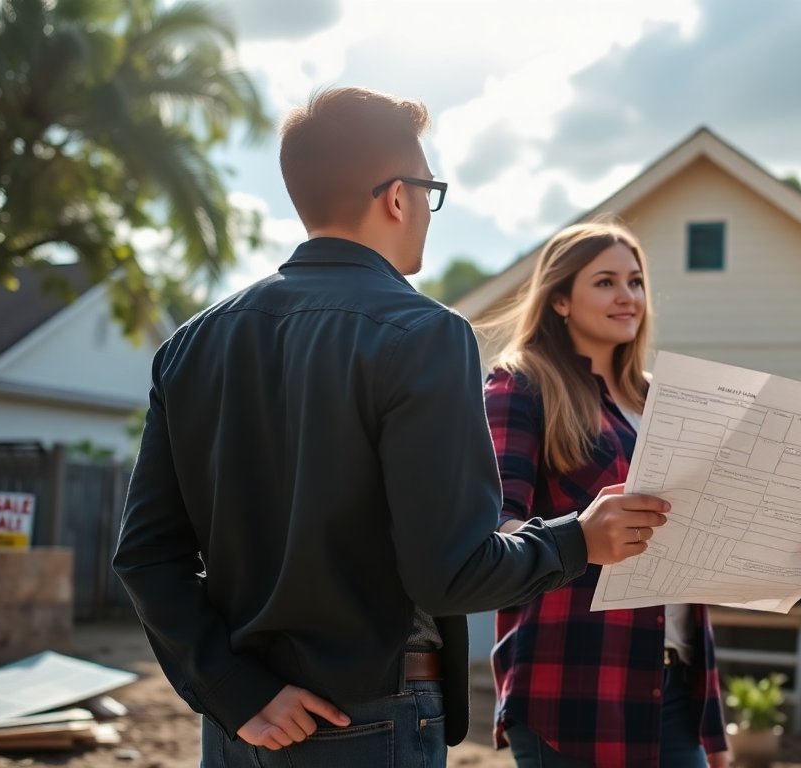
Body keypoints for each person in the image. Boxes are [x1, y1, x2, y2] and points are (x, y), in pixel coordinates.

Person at [112, 88, 671, 768]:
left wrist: (234, 691)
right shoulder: (426, 335)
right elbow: (451, 573)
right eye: (430, 191)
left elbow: (145, 558)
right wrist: (578, 539)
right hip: (372, 718)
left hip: (243, 730)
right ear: (397, 197)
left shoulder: (191, 346)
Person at [480, 220, 801, 768]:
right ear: (559, 299)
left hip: (678, 684)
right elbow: (496, 537)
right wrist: (583, 537)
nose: (628, 296)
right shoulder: (521, 386)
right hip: (573, 686)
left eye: (635, 281)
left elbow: (706, 540)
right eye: (605, 282)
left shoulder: (665, 400)